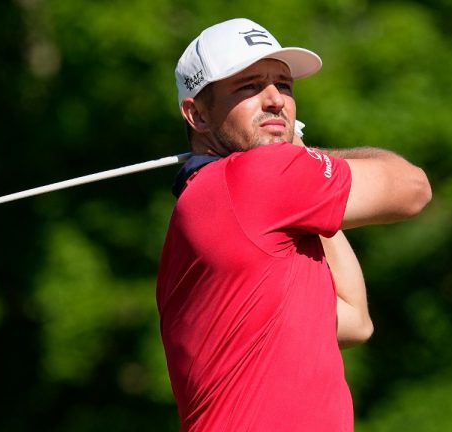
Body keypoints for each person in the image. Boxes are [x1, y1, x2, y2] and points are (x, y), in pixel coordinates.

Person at [156, 18, 432, 431]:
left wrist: (305, 172)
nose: (275, 100)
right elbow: (413, 187)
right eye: (248, 86)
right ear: (197, 115)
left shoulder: (211, 203)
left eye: (283, 85)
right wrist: (307, 156)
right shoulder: (251, 179)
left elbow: (355, 319)